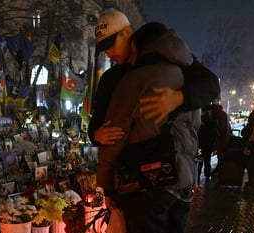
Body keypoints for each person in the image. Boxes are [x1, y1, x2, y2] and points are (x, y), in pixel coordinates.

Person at [96, 22, 206, 233]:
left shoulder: (136, 79)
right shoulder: (183, 79)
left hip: (148, 187)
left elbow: (113, 139)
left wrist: (105, 184)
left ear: (136, 43)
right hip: (182, 183)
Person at [88, 9, 220, 147]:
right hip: (127, 163)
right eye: (104, 49)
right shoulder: (109, 79)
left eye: (111, 44)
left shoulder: (168, 59)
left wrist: (179, 98)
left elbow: (211, 85)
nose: (108, 53)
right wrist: (96, 135)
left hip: (170, 155)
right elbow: (96, 122)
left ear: (127, 32)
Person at [197, 105, 219, 184]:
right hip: (207, 144)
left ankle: (200, 176)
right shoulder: (213, 120)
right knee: (206, 160)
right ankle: (206, 176)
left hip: (203, 143)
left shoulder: (208, 120)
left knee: (201, 160)